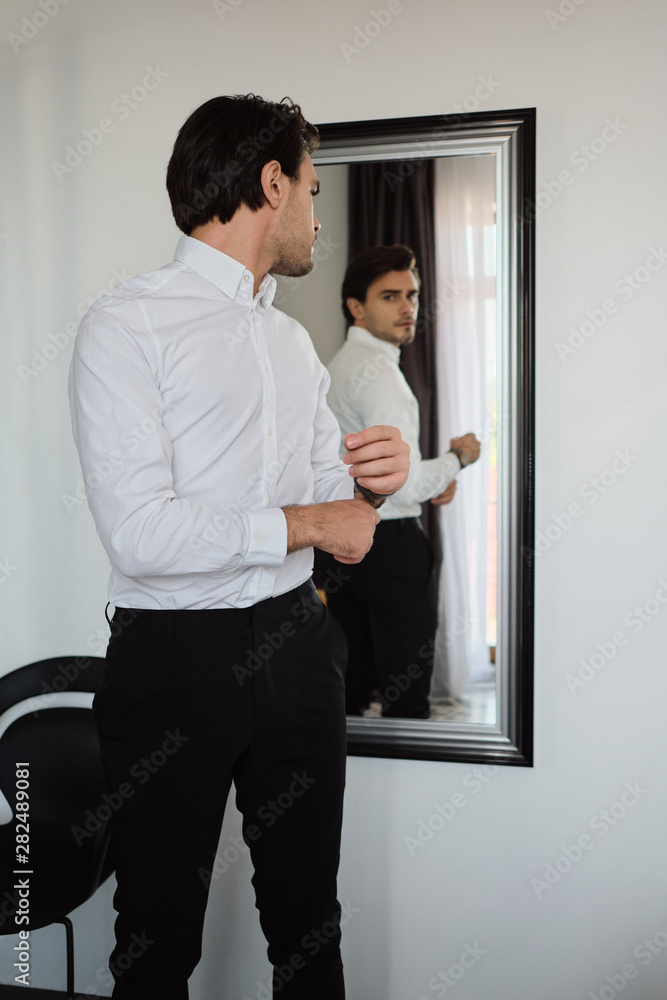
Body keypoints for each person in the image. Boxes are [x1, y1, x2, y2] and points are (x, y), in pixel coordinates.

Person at [68, 96, 410, 1000]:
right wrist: (309, 524)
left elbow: (335, 512)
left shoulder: (292, 344)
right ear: (270, 184)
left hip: (296, 647)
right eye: (311, 188)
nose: (317, 215)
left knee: (310, 931)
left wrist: (371, 480)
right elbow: (140, 534)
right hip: (173, 660)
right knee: (155, 944)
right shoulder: (125, 325)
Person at [320, 245, 480, 719]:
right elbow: (402, 486)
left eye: (411, 294)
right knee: (405, 698)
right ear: (356, 307)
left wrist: (432, 479)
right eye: (390, 296)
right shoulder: (381, 376)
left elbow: (362, 468)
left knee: (350, 690)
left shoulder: (338, 368)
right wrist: (458, 458)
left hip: (342, 543)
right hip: (391, 548)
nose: (408, 307)